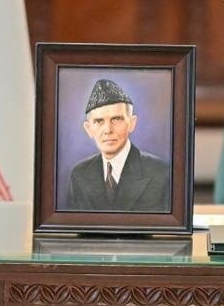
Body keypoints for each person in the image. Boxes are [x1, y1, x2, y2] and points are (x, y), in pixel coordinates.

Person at [64, 78, 170, 212]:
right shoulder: (79, 174)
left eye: (117, 119)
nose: (108, 130)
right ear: (88, 129)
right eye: (99, 121)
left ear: (132, 123)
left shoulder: (161, 173)